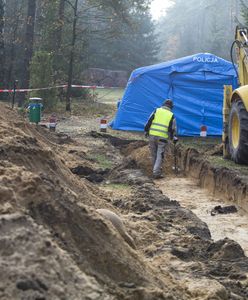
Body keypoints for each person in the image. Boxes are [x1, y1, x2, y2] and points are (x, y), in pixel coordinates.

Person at [144, 99, 177, 179]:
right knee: (160, 155)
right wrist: (173, 138)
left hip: (152, 136)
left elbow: (149, 121)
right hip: (162, 138)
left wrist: (146, 131)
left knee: (153, 154)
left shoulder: (156, 110)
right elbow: (172, 129)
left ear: (163, 104)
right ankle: (156, 172)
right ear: (171, 107)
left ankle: (155, 170)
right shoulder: (171, 115)